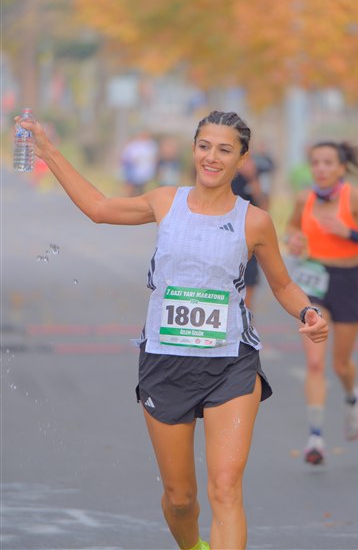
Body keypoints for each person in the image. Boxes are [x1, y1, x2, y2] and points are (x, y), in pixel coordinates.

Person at [16, 110, 328, 550]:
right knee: (181, 499)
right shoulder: (165, 201)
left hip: (231, 364)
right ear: (194, 150)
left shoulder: (254, 221)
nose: (212, 157)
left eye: (225, 150)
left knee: (226, 488)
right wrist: (48, 151)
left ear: (242, 159)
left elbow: (283, 285)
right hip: (165, 362)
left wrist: (308, 312)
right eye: (204, 146)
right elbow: (100, 209)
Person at [285, 140, 358, 466]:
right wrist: (293, 239)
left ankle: (351, 395)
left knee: (340, 365)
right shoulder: (304, 198)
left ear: (342, 167)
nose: (321, 168)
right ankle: (315, 438)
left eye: (328, 162)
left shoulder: (355, 197)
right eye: (316, 162)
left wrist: (350, 233)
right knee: (315, 363)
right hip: (314, 281)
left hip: (348, 281)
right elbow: (291, 226)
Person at [231, 156, 270, 310]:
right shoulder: (225, 172)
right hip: (224, 239)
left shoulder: (259, 172)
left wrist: (252, 178)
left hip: (247, 243)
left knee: (245, 305)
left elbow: (264, 207)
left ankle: (245, 324)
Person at [120, 130, 158, 196]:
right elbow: (126, 158)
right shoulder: (133, 145)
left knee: (143, 192)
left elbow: (154, 158)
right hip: (133, 172)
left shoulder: (151, 145)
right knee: (132, 192)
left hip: (145, 174)